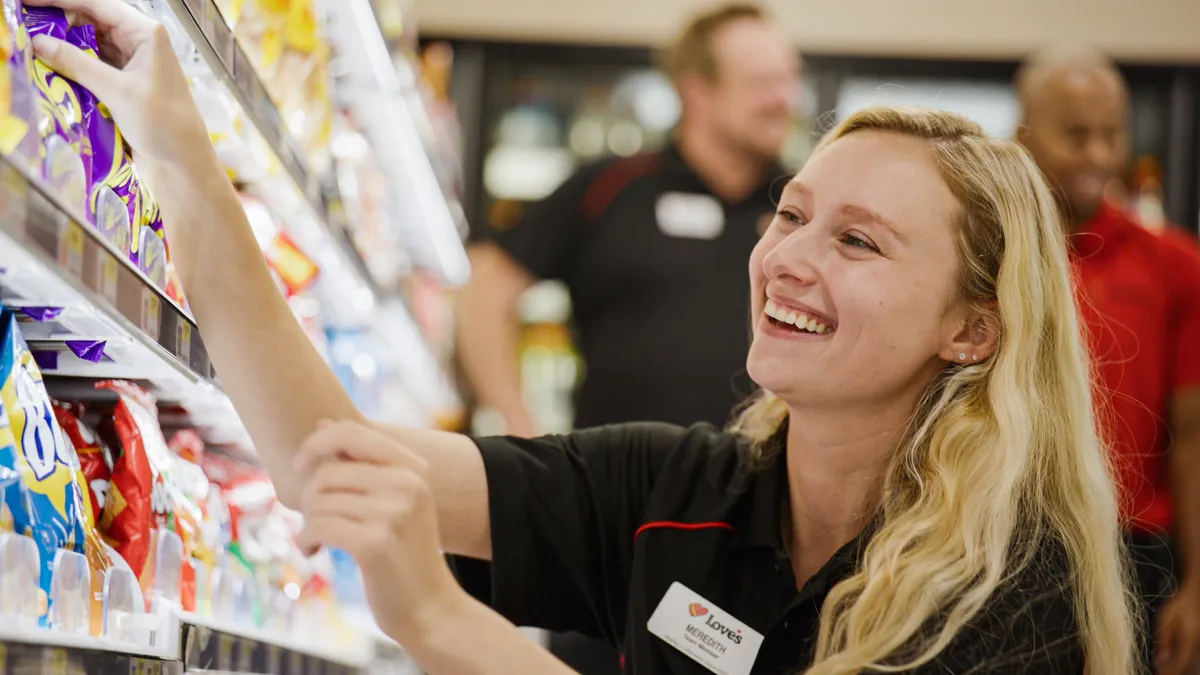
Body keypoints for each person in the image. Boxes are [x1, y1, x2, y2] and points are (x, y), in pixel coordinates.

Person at [32, 0, 1136, 672]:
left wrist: (444, 627)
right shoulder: (677, 489)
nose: (791, 256)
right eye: (791, 215)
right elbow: (325, 452)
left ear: (972, 328)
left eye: (859, 241)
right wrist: (179, 156)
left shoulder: (1013, 590)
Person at [456, 3, 798, 440]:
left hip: (762, 485)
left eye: (789, 77)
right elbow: (482, 292)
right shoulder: (612, 187)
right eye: (761, 83)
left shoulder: (799, 203)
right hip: (615, 492)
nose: (785, 98)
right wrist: (521, 432)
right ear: (696, 91)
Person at [1015, 47, 1200, 675]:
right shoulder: (986, 257)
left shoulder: (1175, 265)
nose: (1097, 154)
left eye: (1111, 135)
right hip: (1007, 541)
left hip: (1136, 552)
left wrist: (1197, 586)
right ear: (1024, 136)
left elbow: (1194, 438)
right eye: (1075, 135)